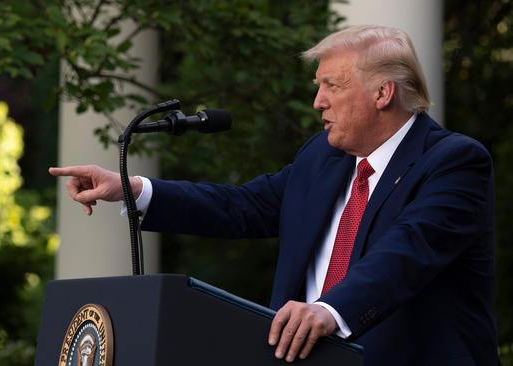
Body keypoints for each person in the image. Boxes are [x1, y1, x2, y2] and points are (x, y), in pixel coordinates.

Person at [49, 25, 500, 365]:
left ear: (383, 93)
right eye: (317, 87)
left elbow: (406, 252)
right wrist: (133, 190)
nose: (318, 102)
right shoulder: (321, 160)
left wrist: (328, 310)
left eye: (332, 86)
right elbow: (243, 206)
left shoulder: (453, 162)